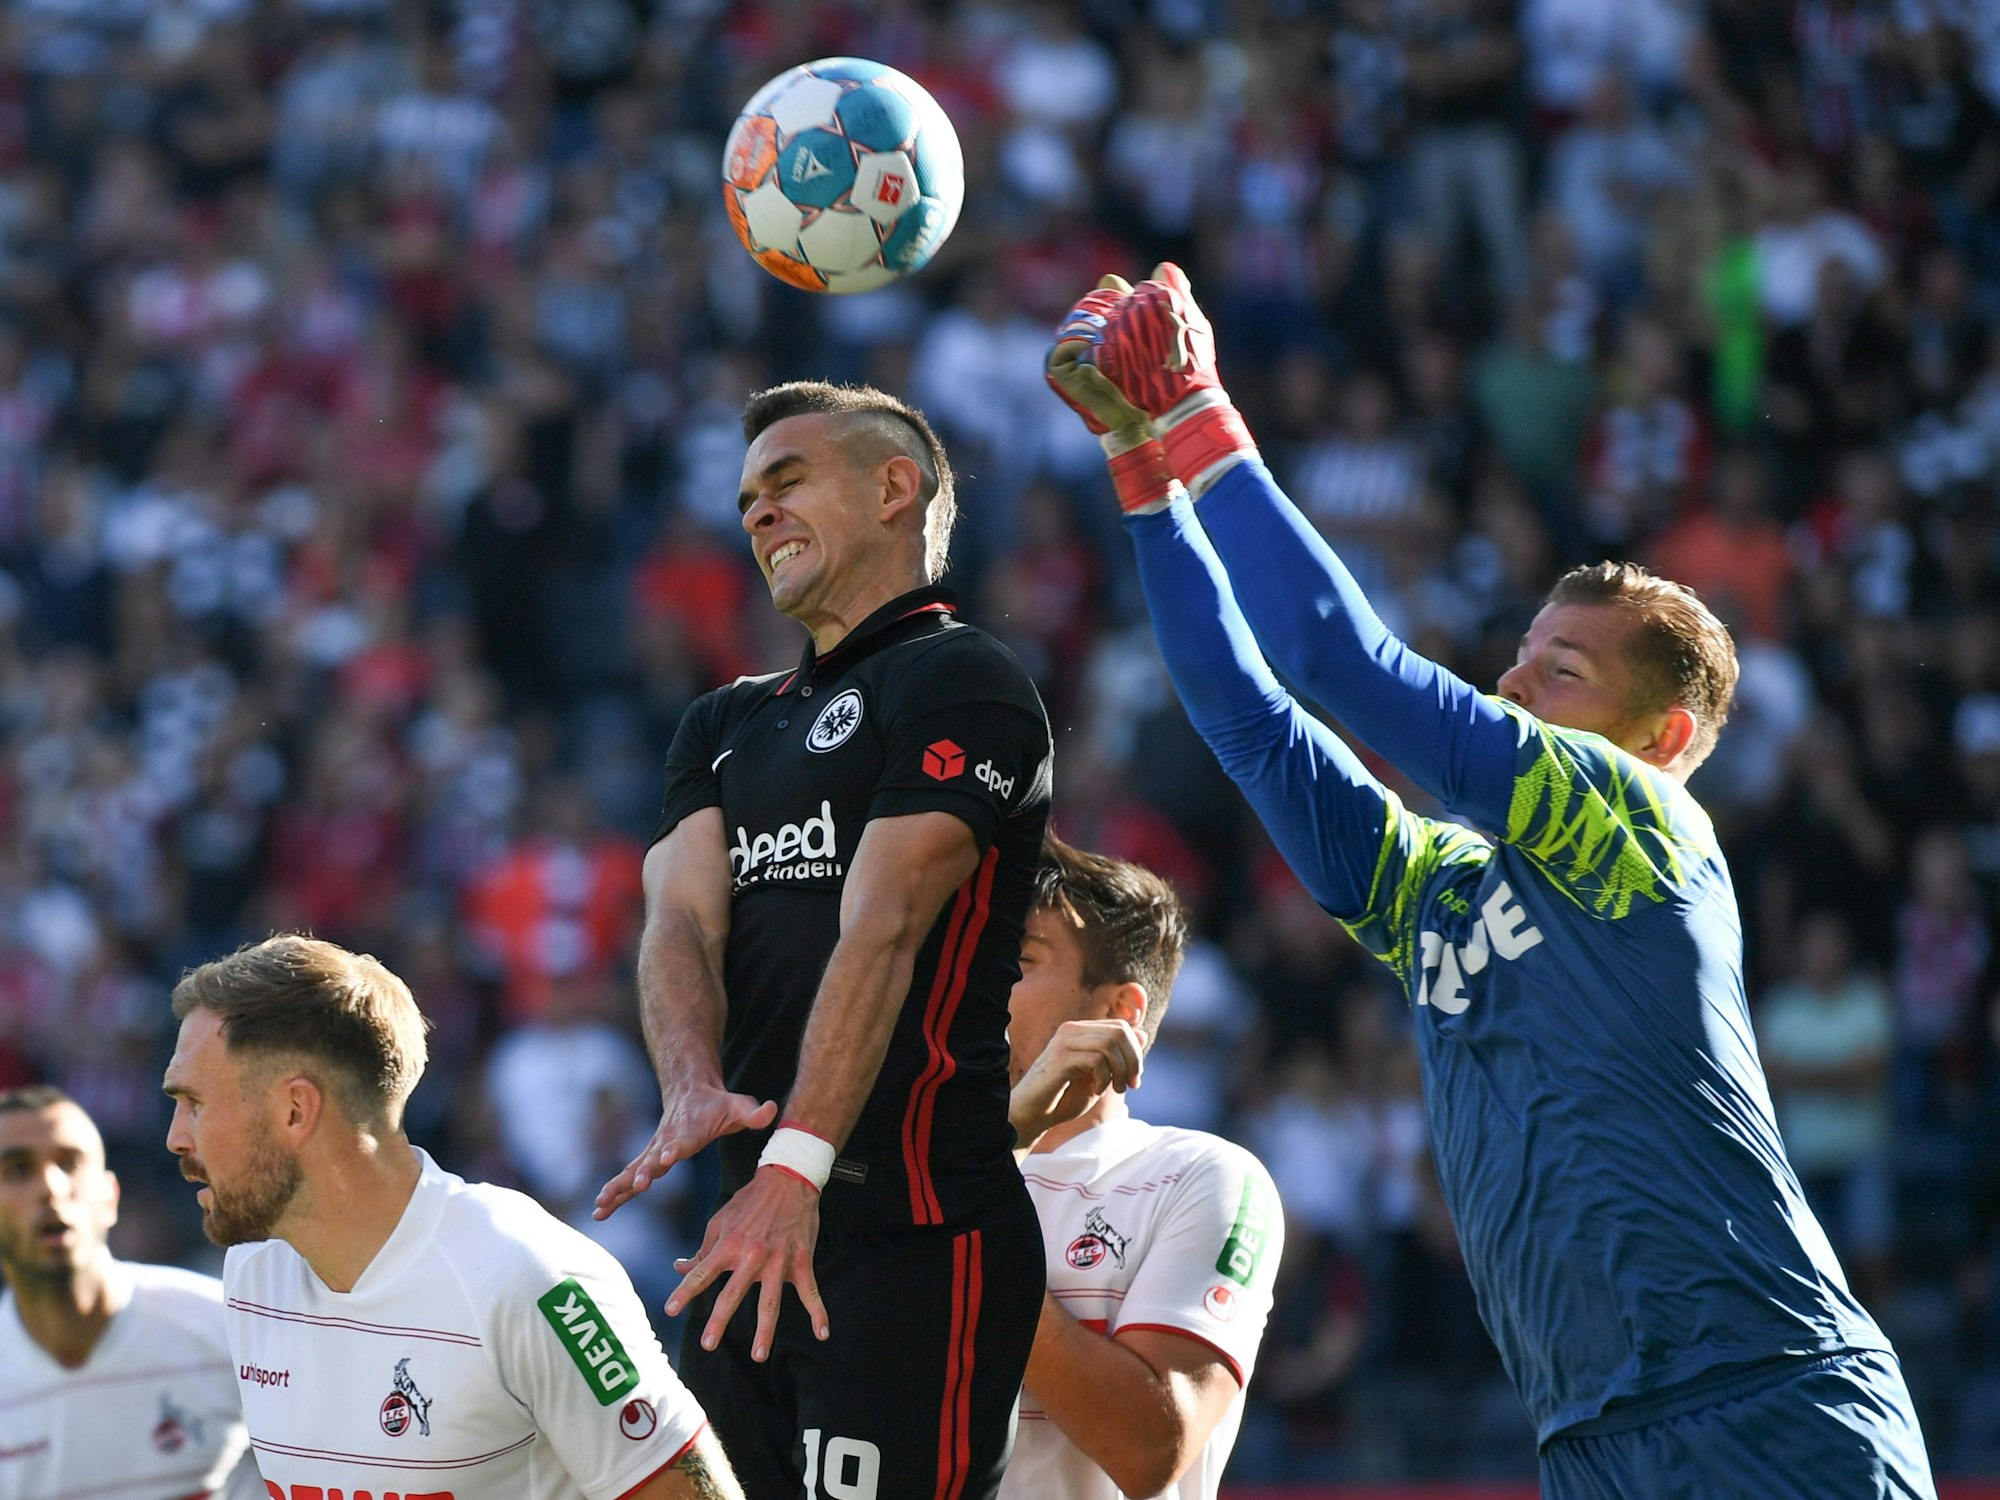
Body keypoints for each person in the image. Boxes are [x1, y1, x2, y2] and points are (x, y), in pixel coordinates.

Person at [1044, 266, 1936, 1496]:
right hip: (1583, 1434)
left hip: (1761, 1396)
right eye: (1518, 659)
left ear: (1664, 736)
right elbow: (1251, 724)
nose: (1513, 688)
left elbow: (1331, 658)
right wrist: (1139, 466)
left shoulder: (1640, 829)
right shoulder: (1441, 895)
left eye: (1559, 668)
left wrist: (1195, 407)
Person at [593, 381, 1053, 1499]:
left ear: (893, 488)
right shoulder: (722, 722)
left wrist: (795, 1166)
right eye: (747, 496)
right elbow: (680, 921)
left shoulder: (960, 678)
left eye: (787, 482)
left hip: (912, 1229)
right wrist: (692, 1085)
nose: (754, 514)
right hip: (745, 1228)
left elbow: (885, 927)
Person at [160, 934, 742, 1500]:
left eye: (195, 1104)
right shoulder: (253, 1273)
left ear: (295, 1110)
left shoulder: (530, 1279)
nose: (175, 1138)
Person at [1001, 832, 1282, 1500]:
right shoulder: (891, 1171)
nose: (974, 988)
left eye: (1016, 961)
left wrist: (958, 1230)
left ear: (1117, 1012)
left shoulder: (1202, 1177)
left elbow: (1149, 1449)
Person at [0, 1084, 259, 1500]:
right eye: (17, 1170)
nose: (50, 1187)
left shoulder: (232, 1332)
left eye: (70, 1163)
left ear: (110, 1196)